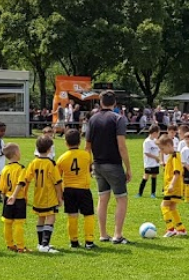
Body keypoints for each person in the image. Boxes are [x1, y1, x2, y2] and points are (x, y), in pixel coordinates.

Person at [86, 90, 133, 245]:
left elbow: (87, 146)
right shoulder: (118, 119)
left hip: (97, 164)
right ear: (115, 103)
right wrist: (128, 167)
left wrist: (89, 165)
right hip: (113, 164)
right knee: (121, 198)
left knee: (103, 198)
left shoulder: (92, 119)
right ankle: (117, 235)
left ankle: (103, 234)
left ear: (100, 102)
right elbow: (122, 146)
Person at [12, 136, 62, 253]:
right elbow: (57, 182)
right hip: (49, 196)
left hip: (38, 196)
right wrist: (60, 197)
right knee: (51, 217)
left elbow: (26, 179)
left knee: (41, 217)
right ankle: (45, 245)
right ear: (49, 149)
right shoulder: (50, 164)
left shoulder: (33, 162)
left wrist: (24, 194)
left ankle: (40, 243)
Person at [57, 129, 97, 249]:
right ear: (80, 142)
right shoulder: (86, 155)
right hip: (84, 189)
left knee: (72, 215)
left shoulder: (62, 159)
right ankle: (89, 241)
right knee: (88, 214)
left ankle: (73, 241)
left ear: (66, 142)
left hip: (69, 190)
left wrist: (60, 194)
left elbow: (58, 178)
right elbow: (89, 169)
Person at [0, 143, 30, 253]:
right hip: (18, 199)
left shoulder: (4, 169)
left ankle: (10, 244)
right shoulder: (21, 168)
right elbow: (20, 183)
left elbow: (2, 189)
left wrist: (5, 200)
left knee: (7, 223)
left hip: (7, 199)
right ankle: (20, 247)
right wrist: (14, 195)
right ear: (16, 153)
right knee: (18, 223)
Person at [158, 136, 188, 237]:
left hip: (173, 187)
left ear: (168, 145)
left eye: (162, 149)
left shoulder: (175, 156)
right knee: (172, 207)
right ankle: (181, 229)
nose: (162, 151)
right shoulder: (172, 156)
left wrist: (171, 184)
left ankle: (170, 229)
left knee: (164, 206)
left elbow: (177, 172)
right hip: (176, 187)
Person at [139, 125, 161, 198]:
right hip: (148, 163)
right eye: (158, 133)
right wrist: (155, 157)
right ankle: (140, 193)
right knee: (146, 177)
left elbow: (159, 150)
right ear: (154, 133)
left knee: (154, 176)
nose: (158, 135)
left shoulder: (156, 141)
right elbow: (146, 153)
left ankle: (153, 193)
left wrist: (159, 158)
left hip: (155, 163)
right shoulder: (147, 142)